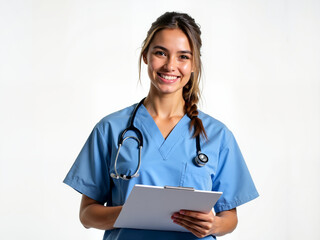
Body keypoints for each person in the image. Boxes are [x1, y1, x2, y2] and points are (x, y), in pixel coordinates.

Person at [63, 12, 259, 240]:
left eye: (183, 56)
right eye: (160, 53)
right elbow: (87, 214)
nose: (170, 65)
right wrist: (133, 214)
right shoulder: (110, 129)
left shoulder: (217, 135)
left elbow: (230, 218)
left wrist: (213, 225)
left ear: (194, 63)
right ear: (146, 55)